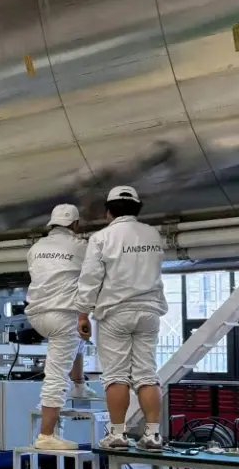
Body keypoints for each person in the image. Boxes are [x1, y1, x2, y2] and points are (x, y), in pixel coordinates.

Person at [76, 184, 167, 452]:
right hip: (149, 311)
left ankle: (117, 435)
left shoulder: (102, 237)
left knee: (116, 376)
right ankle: (153, 436)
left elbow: (90, 278)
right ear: (137, 208)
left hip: (116, 312)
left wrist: (83, 313)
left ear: (108, 211)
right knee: (147, 374)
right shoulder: (153, 234)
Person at [26, 203, 94, 452]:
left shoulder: (36, 248)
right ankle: (46, 435)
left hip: (37, 315)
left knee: (79, 336)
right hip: (63, 315)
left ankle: (79, 384)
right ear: (75, 224)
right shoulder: (81, 247)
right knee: (56, 375)